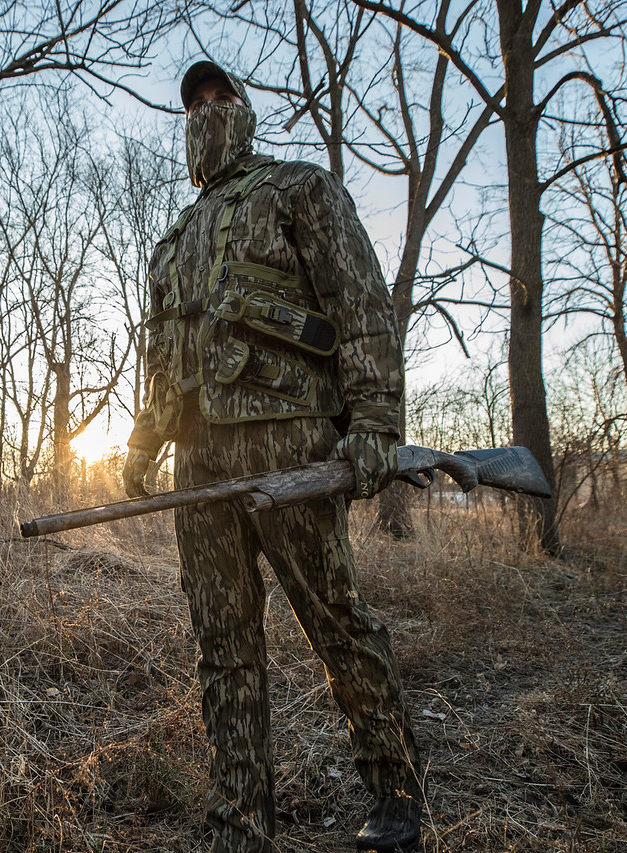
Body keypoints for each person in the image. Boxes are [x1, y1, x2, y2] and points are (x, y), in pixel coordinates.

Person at [122, 60, 424, 852]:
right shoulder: (173, 241)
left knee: (335, 622)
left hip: (290, 448)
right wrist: (142, 442)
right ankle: (239, 823)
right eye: (191, 103)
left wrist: (373, 423)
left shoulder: (299, 188)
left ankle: (395, 792)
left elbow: (359, 304)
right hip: (199, 471)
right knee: (221, 646)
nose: (204, 112)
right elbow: (162, 356)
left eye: (218, 98)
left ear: (244, 110)